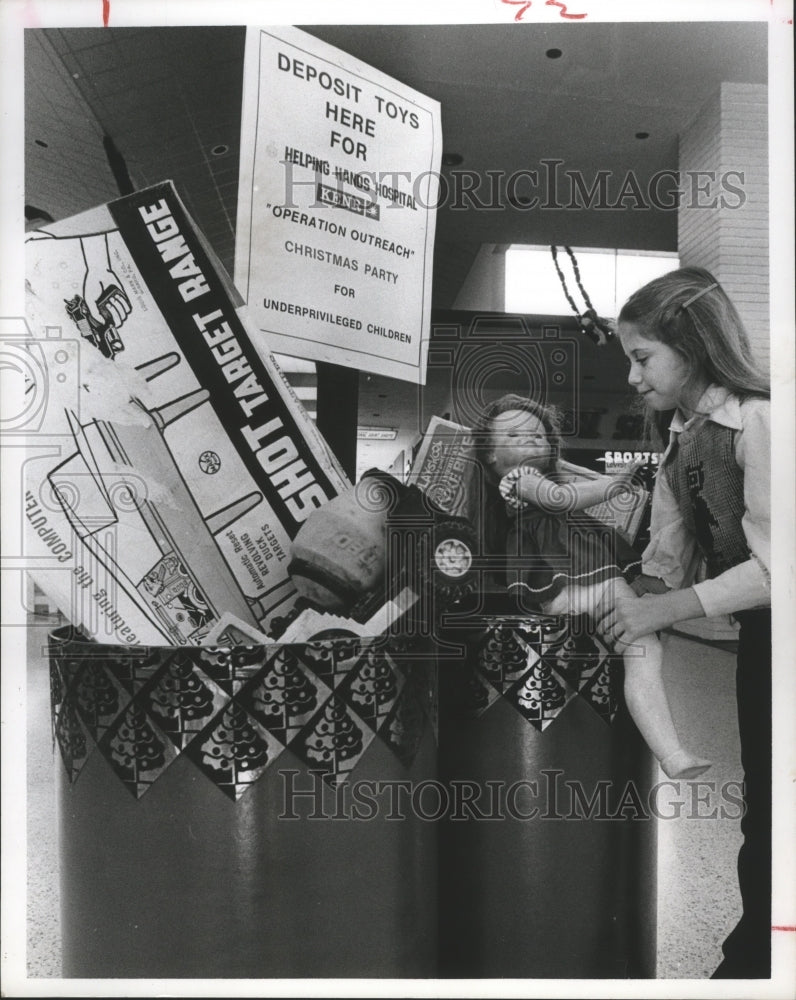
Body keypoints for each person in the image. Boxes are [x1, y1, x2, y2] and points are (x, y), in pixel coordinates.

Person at [602, 266, 771, 979]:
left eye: (642, 358)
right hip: (768, 642)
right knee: (761, 809)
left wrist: (665, 607)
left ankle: (753, 962)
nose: (633, 378)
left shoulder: (762, 421)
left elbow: (778, 566)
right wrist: (622, 601)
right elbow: (665, 559)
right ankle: (753, 959)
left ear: (693, 346)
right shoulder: (681, 440)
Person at [475, 392, 712, 780]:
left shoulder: (550, 479)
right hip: (570, 579)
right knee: (638, 646)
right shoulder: (519, 480)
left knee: (643, 650)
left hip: (593, 577)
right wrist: (610, 486)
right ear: (490, 457)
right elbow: (558, 499)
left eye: (538, 435)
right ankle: (668, 750)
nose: (531, 440)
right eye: (516, 437)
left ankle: (671, 752)